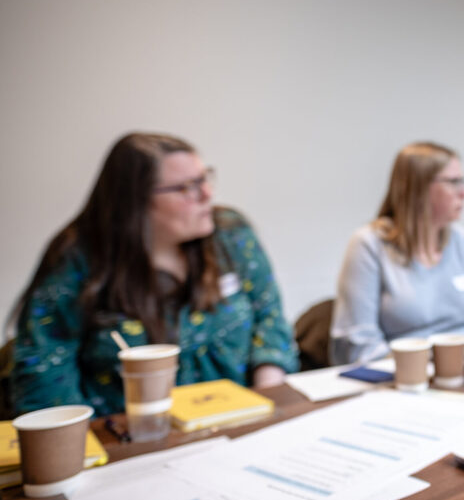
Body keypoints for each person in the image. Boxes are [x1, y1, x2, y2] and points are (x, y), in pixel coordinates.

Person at [11, 133, 298, 417]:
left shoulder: (231, 236)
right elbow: (44, 371)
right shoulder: (78, 259)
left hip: (238, 418)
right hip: (126, 438)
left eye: (204, 178)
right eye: (186, 187)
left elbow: (270, 320)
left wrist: (267, 396)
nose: (207, 194)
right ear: (135, 200)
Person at [330, 142, 464, 364]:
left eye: (463, 182)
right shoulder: (369, 245)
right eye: (453, 182)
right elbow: (358, 346)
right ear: (418, 188)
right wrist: (431, 366)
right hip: (400, 378)